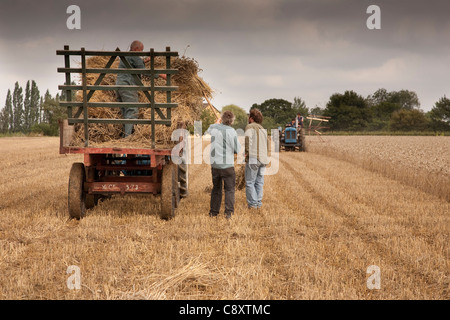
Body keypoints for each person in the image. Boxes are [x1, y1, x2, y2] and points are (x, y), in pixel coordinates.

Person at [116, 40, 166, 137]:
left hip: (119, 85)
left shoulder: (126, 56)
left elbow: (135, 64)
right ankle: (127, 138)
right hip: (128, 85)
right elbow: (145, 71)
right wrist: (160, 74)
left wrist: (145, 60)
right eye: (141, 50)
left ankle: (123, 137)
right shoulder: (135, 56)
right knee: (132, 111)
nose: (141, 52)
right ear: (136, 49)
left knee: (125, 111)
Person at [206, 111, 241, 219]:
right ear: (231, 121)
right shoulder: (232, 131)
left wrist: (216, 123)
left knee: (216, 189)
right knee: (229, 190)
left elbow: (207, 131)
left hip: (215, 165)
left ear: (222, 119)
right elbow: (237, 149)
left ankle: (213, 212)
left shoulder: (214, 128)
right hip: (227, 166)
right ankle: (228, 213)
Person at [244, 108, 269, 210]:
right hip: (263, 158)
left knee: (250, 182)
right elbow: (267, 144)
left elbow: (247, 140)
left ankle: (253, 204)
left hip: (254, 157)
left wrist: (246, 153)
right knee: (259, 182)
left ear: (251, 118)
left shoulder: (250, 126)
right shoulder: (263, 129)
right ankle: (258, 203)